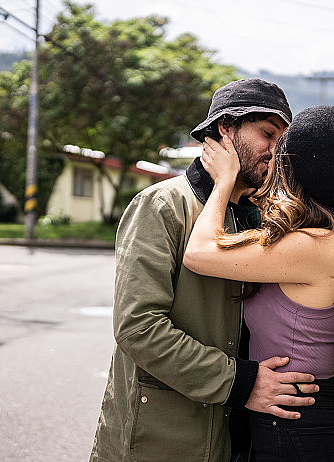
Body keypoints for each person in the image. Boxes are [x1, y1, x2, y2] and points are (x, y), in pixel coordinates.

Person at [90, 78, 320, 462]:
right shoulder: (163, 205)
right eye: (267, 133)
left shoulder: (266, 216)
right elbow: (138, 327)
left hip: (240, 435)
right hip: (163, 436)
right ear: (225, 130)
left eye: (284, 141)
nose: (276, 151)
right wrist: (242, 383)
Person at [183, 105, 334, 462]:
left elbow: (199, 254)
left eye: (280, 150)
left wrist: (224, 182)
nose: (271, 156)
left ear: (292, 171)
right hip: (307, 413)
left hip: (298, 422)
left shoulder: (312, 245)